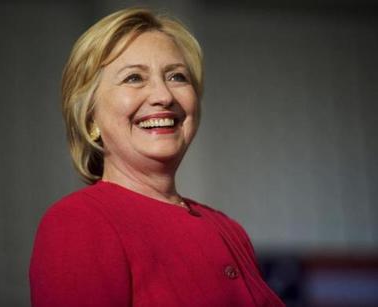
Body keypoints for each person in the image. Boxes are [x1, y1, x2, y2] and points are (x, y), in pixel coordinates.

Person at [29, 7, 285, 307]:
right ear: (89, 119)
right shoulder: (77, 223)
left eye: (177, 76)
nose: (163, 96)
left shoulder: (230, 230)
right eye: (134, 78)